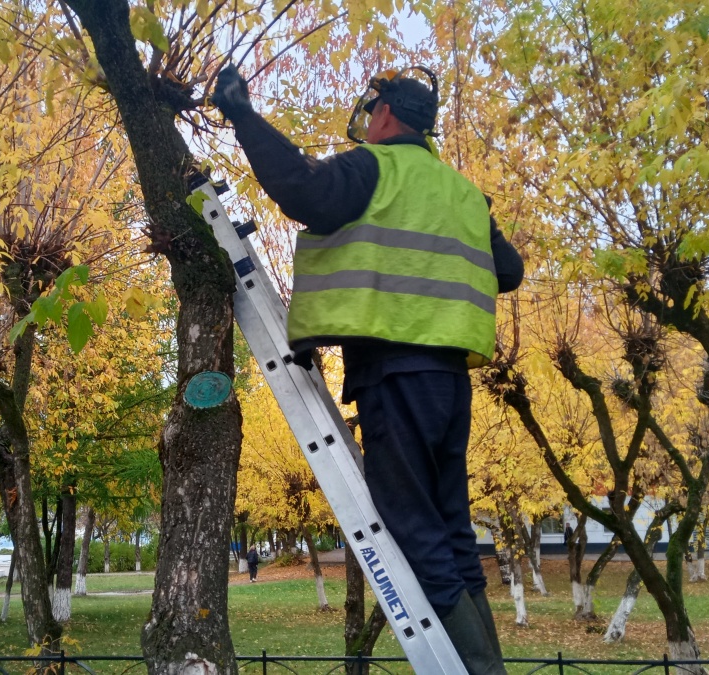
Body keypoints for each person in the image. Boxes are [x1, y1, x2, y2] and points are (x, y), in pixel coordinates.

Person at [212, 64, 523, 675]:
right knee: (453, 532)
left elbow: (303, 187)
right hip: (449, 383)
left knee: (413, 530)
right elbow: (508, 271)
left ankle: (477, 673)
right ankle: (488, 667)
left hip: (393, 374)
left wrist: (243, 116)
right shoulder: (464, 194)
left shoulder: (375, 167)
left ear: (383, 114)